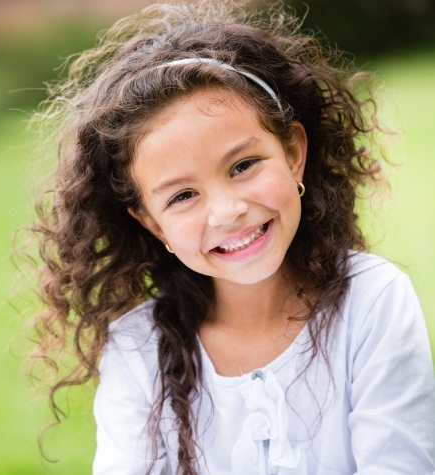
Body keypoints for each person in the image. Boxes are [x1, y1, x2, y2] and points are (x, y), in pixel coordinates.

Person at [27, 1, 435, 473]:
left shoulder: (370, 299)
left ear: (293, 153)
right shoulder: (138, 348)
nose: (227, 212)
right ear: (153, 223)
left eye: (243, 166)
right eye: (182, 196)